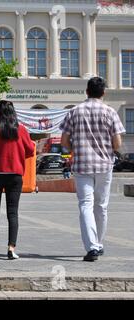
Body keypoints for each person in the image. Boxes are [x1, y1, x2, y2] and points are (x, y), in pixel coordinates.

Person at [60, 77, 125, 262]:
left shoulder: (74, 111)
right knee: (101, 206)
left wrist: (76, 149)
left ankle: (92, 247)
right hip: (105, 166)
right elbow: (118, 143)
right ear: (103, 92)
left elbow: (64, 141)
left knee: (85, 205)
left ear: (86, 91)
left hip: (82, 165)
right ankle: (99, 243)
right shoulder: (110, 112)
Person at [0, 100, 35, 260]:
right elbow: (30, 150)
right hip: (15, 175)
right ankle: (11, 247)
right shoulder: (21, 129)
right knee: (13, 212)